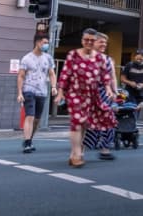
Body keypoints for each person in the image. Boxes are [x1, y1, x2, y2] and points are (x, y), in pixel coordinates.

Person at [56, 28, 117, 167]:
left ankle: (75, 153)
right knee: (76, 122)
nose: (89, 42)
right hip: (76, 93)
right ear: (82, 40)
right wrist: (60, 92)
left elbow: (105, 76)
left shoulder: (101, 58)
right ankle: (77, 155)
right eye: (86, 40)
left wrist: (109, 89)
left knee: (85, 124)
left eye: (92, 40)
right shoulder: (73, 55)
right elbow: (65, 74)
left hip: (92, 95)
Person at [16, 32, 57, 154]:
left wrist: (54, 86)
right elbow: (21, 76)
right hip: (29, 90)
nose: (46, 45)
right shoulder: (26, 58)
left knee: (37, 120)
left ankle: (29, 139)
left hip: (42, 92)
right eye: (44, 42)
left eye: (47, 43)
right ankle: (27, 143)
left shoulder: (48, 58)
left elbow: (51, 74)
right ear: (37, 42)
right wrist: (20, 93)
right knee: (30, 116)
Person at [85, 32, 118, 160]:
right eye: (101, 42)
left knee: (109, 122)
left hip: (106, 95)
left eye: (105, 42)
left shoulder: (109, 59)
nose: (104, 44)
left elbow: (113, 78)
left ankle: (105, 150)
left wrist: (115, 92)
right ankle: (80, 151)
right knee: (91, 124)